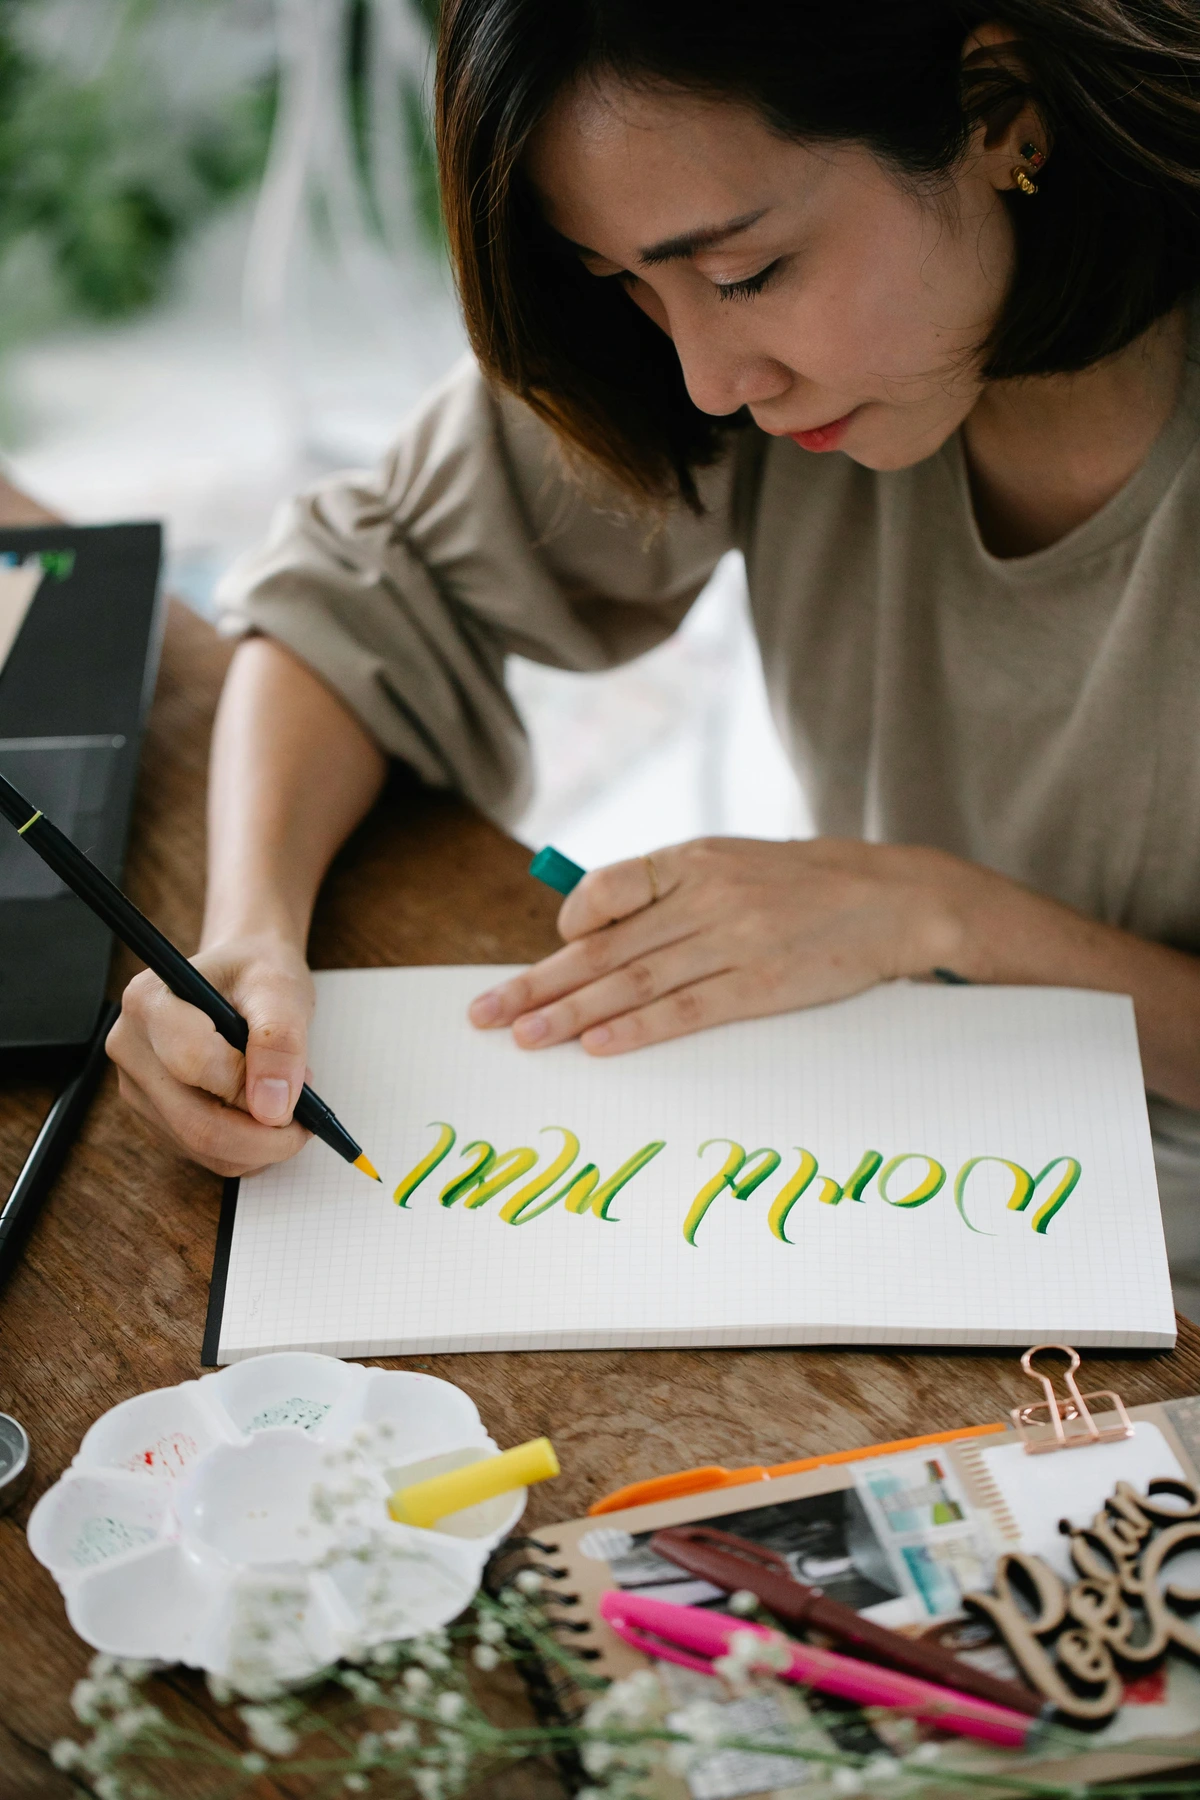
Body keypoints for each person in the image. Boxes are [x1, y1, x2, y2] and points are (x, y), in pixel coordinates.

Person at [108, 0, 1200, 1315]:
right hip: (914, 1189)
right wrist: (247, 942)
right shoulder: (761, 379)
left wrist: (942, 914)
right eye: (629, 282)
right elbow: (370, 583)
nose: (708, 378)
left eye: (747, 274)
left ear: (999, 117)